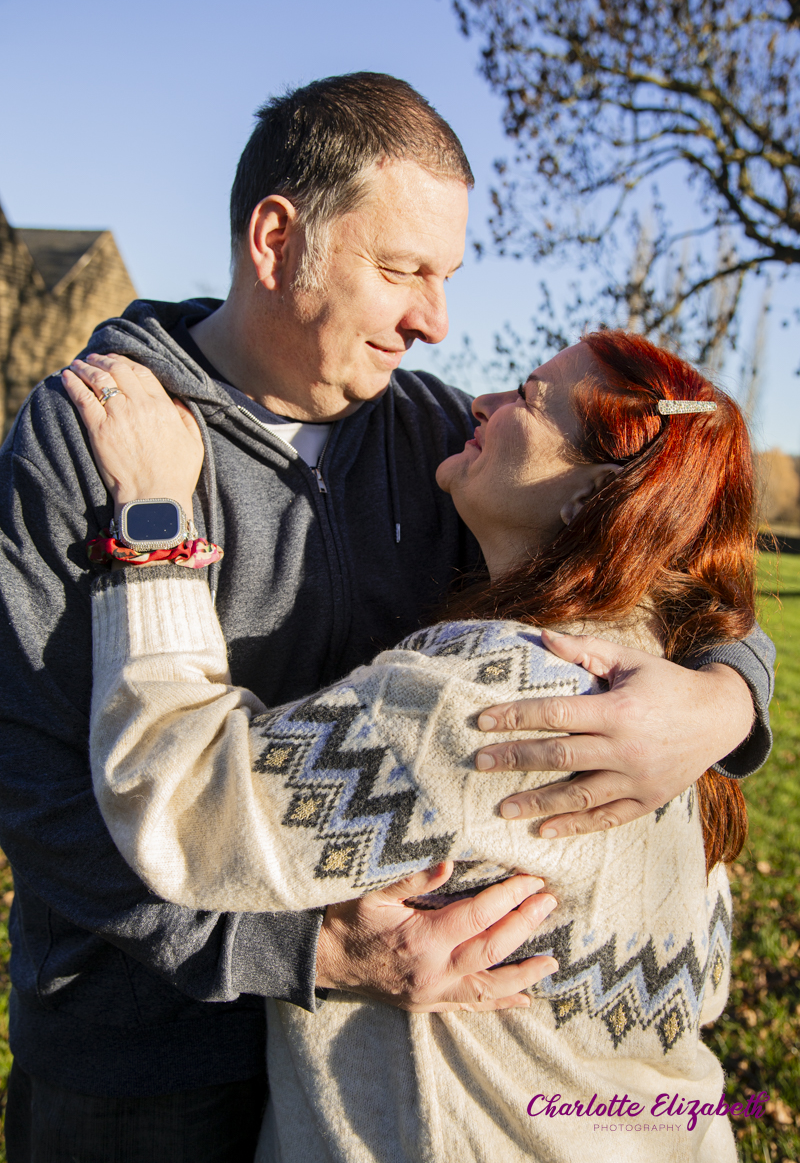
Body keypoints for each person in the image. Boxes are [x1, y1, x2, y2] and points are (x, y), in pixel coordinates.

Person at [0, 73, 772, 1159]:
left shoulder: (432, 437)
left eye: (447, 275)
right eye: (403, 270)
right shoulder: (95, 436)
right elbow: (32, 784)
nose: (435, 319)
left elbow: (640, 543)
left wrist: (721, 696)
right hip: (137, 1057)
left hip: (359, 1087)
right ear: (276, 239)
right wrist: (302, 952)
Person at [67, 328, 753, 1162]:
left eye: (527, 399)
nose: (483, 403)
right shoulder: (671, 701)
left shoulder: (486, 701)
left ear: (589, 501)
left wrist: (155, 526)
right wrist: (735, 693)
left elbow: (174, 799)